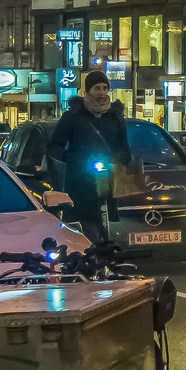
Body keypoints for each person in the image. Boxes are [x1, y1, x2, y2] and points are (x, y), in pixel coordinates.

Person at [47, 70, 130, 244]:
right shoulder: (73, 116)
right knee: (86, 221)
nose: (102, 93)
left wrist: (121, 159)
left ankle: (107, 249)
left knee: (108, 220)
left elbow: (123, 145)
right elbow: (57, 145)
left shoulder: (114, 117)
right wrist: (70, 161)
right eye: (97, 88)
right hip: (80, 179)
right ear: (88, 91)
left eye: (105, 88)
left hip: (108, 178)